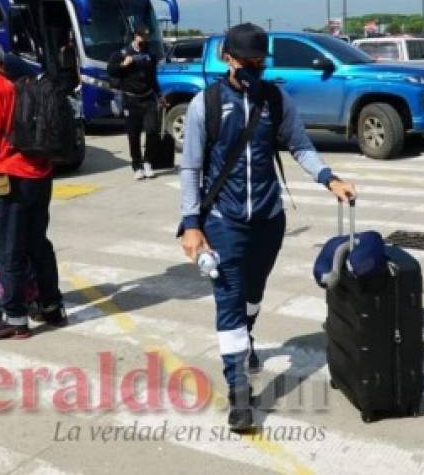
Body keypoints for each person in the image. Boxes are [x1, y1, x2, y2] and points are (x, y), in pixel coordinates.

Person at [178, 23, 356, 433]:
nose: (256, 70)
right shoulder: (205, 103)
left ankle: (248, 336)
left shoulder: (277, 100)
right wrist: (192, 225)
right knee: (229, 299)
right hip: (223, 222)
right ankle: (239, 391)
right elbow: (190, 168)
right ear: (228, 58)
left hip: (269, 219)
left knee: (252, 295)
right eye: (248, 63)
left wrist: (329, 178)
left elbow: (300, 145)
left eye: (261, 63)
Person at [0, 38, 67, 340]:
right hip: (40, 175)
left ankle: (15, 318)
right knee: (37, 243)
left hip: (11, 178)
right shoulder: (14, 86)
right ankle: (52, 306)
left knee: (8, 250)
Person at [107, 28, 164, 180]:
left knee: (152, 131)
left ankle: (148, 162)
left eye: (146, 36)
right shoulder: (122, 53)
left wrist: (160, 95)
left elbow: (152, 78)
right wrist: (123, 65)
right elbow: (111, 71)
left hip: (148, 98)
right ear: (135, 36)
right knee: (134, 135)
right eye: (141, 36)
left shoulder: (150, 55)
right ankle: (136, 166)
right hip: (131, 100)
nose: (143, 39)